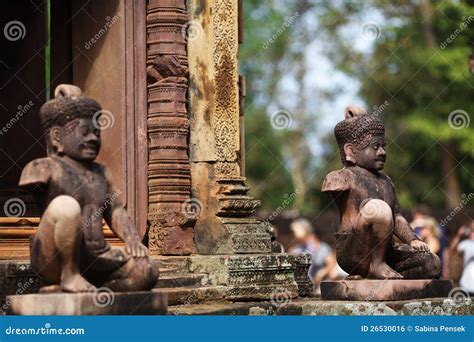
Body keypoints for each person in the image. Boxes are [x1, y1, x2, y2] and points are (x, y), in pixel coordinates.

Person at [19, 84, 158, 293]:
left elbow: (116, 211)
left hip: (96, 257)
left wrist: (133, 239)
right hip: (52, 259)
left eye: (96, 133)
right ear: (57, 137)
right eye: (84, 132)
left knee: (148, 269)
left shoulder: (102, 174)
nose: (93, 138)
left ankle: (99, 292)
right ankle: (69, 276)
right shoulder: (44, 168)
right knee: (65, 206)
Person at [321, 106, 440, 279]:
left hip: (386, 251)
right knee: (378, 208)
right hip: (354, 251)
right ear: (350, 151)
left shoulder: (386, 181)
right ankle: (376, 266)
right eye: (375, 147)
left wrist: (413, 239)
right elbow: (381, 213)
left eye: (384, 146)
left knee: (431, 263)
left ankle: (386, 272)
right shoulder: (343, 177)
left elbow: (397, 216)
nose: (382, 152)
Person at [289, 218, 337, 290]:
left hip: (320, 287)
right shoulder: (296, 249)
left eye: (294, 231)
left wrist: (322, 272)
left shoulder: (322, 247)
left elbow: (331, 263)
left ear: (305, 230)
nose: (292, 234)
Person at [451, 221, 474, 294]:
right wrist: (459, 235)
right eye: (472, 231)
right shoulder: (466, 243)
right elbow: (453, 248)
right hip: (467, 281)